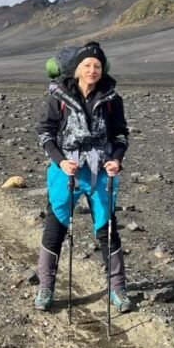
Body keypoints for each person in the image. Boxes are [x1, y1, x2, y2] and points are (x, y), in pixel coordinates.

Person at [34, 41, 135, 313]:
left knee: (107, 228)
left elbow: (120, 135)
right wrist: (60, 160)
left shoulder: (112, 100)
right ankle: (45, 287)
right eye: (87, 65)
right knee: (56, 224)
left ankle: (117, 289)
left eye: (97, 66)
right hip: (66, 168)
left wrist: (116, 159)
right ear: (77, 69)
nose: (92, 70)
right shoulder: (58, 97)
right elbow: (45, 132)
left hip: (101, 170)